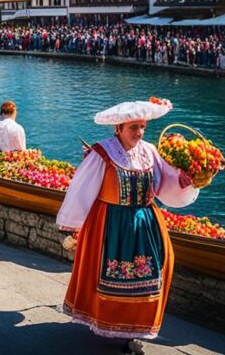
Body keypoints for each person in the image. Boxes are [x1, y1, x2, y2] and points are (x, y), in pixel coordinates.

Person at [57, 99, 197, 354]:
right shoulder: (102, 153)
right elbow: (82, 189)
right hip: (111, 224)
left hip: (146, 223)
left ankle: (135, 329)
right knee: (113, 275)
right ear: (118, 129)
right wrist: (71, 225)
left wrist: (184, 182)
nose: (139, 132)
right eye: (134, 127)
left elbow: (165, 185)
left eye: (142, 127)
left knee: (152, 275)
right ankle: (113, 324)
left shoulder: (149, 151)